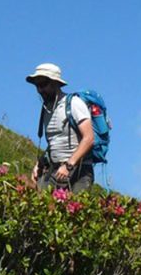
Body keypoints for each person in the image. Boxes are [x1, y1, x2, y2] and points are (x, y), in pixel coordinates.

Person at [27, 63, 94, 193]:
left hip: (79, 170)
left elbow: (89, 138)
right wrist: (40, 164)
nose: (40, 90)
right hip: (56, 169)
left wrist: (69, 165)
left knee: (75, 209)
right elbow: (54, 142)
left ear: (55, 83)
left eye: (43, 84)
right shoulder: (46, 109)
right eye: (37, 85)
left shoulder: (74, 103)